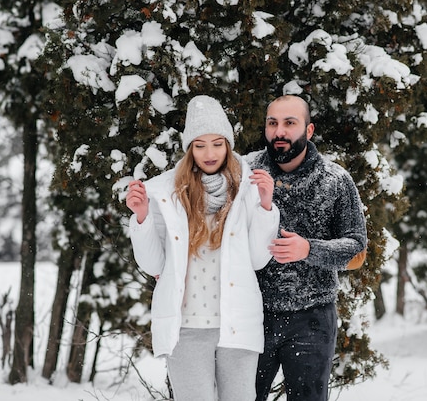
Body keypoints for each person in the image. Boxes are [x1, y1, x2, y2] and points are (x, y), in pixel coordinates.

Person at [125, 95, 280, 401]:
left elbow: (259, 260)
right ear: (189, 149)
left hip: (237, 322)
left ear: (228, 145)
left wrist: (265, 205)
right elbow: (154, 265)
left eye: (217, 143)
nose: (209, 153)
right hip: (186, 327)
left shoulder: (248, 188)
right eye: (200, 145)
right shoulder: (167, 194)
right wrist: (141, 216)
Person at [246, 94, 367, 401]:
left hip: (312, 319)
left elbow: (357, 248)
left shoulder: (335, 180)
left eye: (290, 123)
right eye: (273, 123)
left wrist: (309, 249)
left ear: (309, 130)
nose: (279, 132)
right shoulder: (243, 173)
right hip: (249, 315)